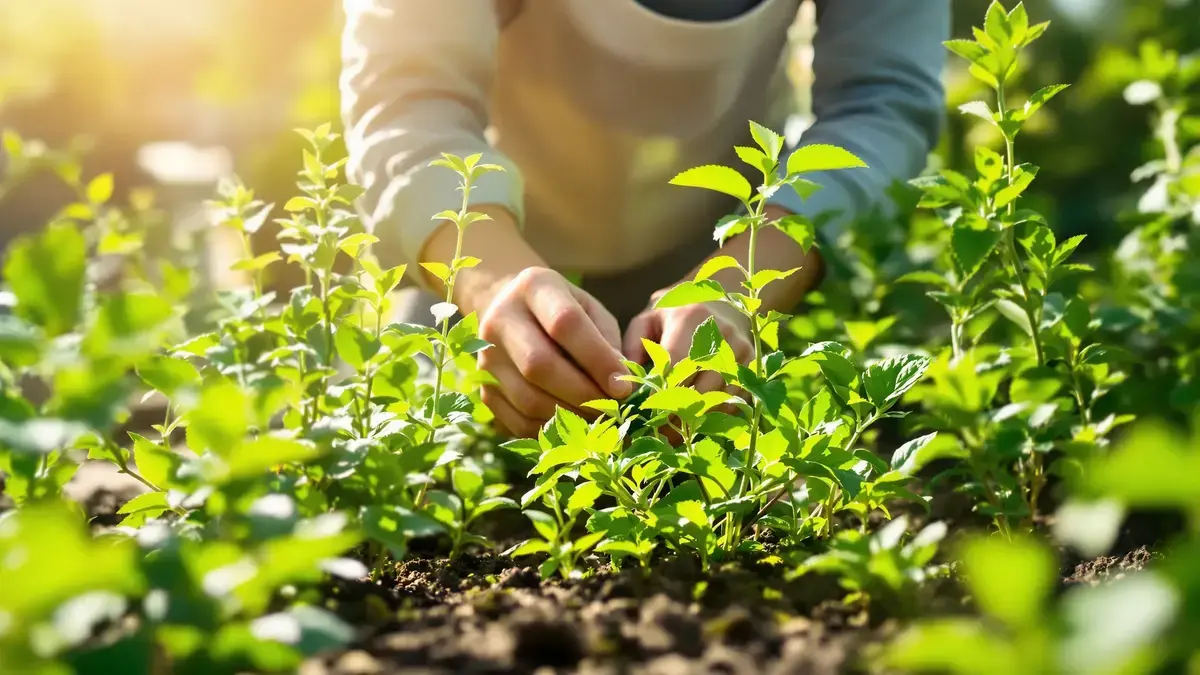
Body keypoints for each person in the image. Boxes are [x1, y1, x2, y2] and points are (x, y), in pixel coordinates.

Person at [340, 0, 949, 438]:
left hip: (731, 257)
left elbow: (881, 101)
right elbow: (407, 95)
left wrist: (733, 291)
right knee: (408, 450)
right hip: (481, 271)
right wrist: (492, 287)